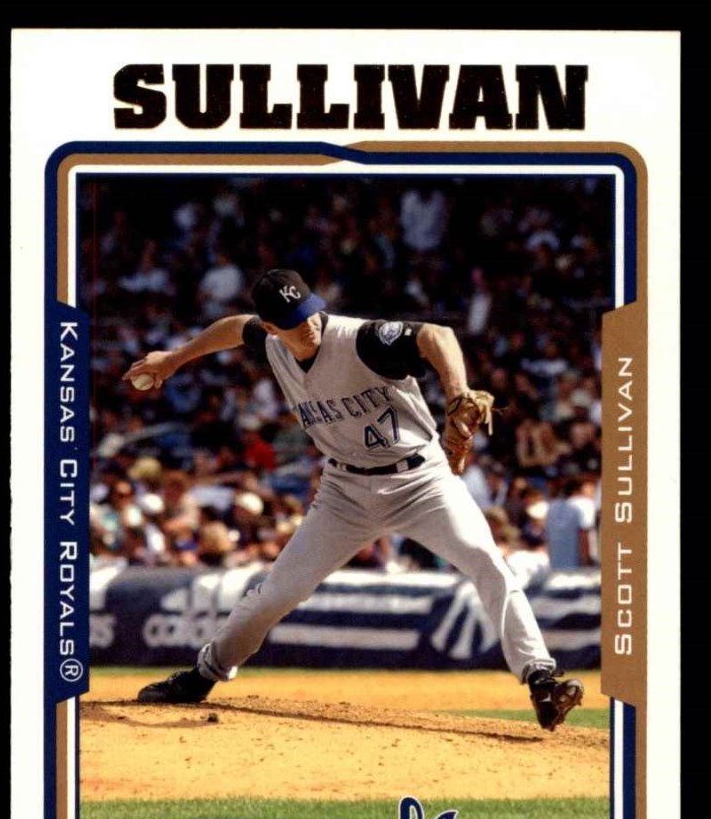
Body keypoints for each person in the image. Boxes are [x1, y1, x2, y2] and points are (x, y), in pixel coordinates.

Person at [123, 269, 583, 730]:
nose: (308, 324)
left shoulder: (361, 339)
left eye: (309, 311)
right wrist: (175, 359)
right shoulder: (270, 343)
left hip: (421, 480)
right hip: (343, 491)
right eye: (293, 320)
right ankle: (203, 674)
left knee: (488, 562)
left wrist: (458, 392)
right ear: (271, 328)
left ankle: (540, 678)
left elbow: (437, 335)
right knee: (276, 593)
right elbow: (234, 327)